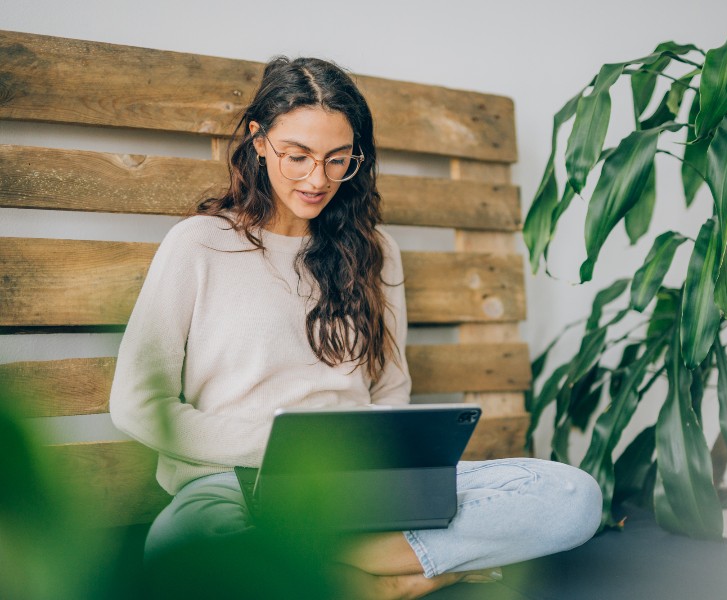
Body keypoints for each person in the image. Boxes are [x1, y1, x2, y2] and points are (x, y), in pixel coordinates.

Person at [109, 55, 601, 599]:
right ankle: (401, 578)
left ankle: (324, 569)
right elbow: (136, 403)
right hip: (233, 486)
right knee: (184, 549)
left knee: (573, 497)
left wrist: (375, 469)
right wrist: (280, 450)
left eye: (337, 159)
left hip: (360, 487)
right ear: (258, 140)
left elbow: (390, 391)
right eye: (297, 156)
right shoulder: (199, 245)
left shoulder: (376, 252)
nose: (318, 179)